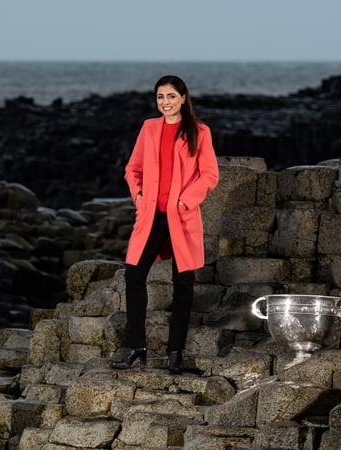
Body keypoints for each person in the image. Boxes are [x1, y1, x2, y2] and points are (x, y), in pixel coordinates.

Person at [110, 75, 219, 374]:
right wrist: (140, 195)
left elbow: (209, 175)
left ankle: (175, 354)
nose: (165, 102)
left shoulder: (199, 131)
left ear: (183, 98)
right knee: (134, 275)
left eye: (171, 96)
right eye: (160, 97)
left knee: (183, 284)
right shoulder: (149, 128)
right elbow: (133, 168)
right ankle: (135, 346)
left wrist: (186, 200)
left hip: (181, 216)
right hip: (151, 216)